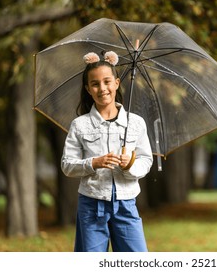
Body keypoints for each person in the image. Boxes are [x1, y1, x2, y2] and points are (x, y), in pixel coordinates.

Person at [61, 50, 153, 252]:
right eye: (95, 84)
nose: (102, 88)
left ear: (117, 83)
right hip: (92, 205)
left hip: (126, 204)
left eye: (107, 82)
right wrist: (94, 163)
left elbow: (146, 160)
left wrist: (130, 165)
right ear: (88, 89)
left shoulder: (135, 123)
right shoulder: (80, 125)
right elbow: (67, 165)